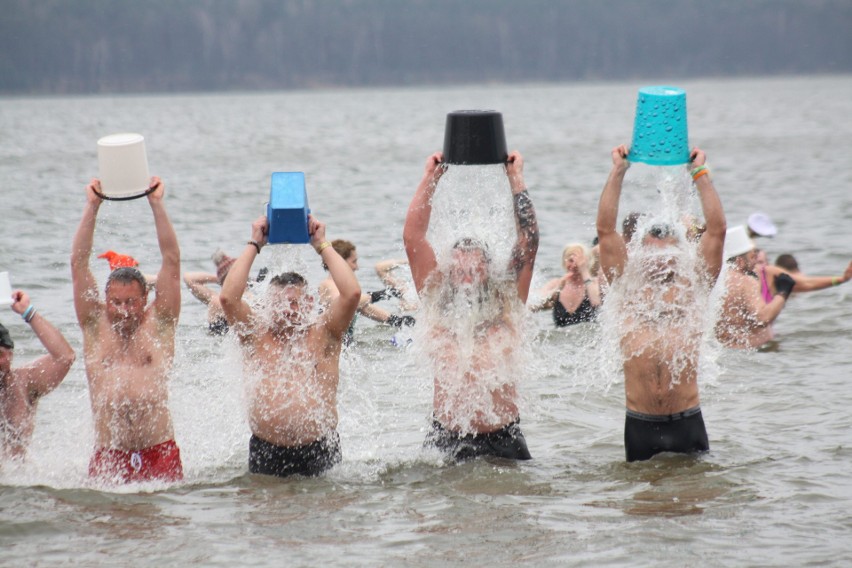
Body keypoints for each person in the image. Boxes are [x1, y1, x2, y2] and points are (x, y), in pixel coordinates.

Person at [403, 150, 538, 462]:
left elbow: (528, 242)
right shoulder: (436, 297)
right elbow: (413, 238)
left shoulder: (506, 299)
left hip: (503, 435)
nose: (467, 276)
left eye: (474, 270)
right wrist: (430, 178)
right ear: (449, 270)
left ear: (488, 269)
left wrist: (515, 178)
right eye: (460, 270)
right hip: (447, 435)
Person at [596, 144, 726, 462]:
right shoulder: (625, 287)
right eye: (652, 254)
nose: (661, 263)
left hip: (687, 421)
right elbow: (605, 230)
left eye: (667, 254)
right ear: (638, 254)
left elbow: (717, 231)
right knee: (640, 507)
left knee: (694, 504)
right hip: (640, 424)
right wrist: (618, 170)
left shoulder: (694, 286)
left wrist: (700, 174)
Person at [219, 214, 360, 478]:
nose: (288, 310)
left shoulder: (325, 332)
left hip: (320, 447)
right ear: (267, 304)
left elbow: (351, 293)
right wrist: (254, 244)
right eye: (280, 303)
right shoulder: (254, 334)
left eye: (295, 303)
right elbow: (228, 297)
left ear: (309, 303)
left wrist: (321, 245)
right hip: (267, 449)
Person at [71, 177, 183, 484]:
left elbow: (171, 262)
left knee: (158, 527)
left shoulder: (159, 322)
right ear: (105, 300)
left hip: (159, 450)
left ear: (145, 298)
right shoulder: (94, 324)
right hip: (109, 453)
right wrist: (92, 206)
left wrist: (156, 204)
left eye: (132, 302)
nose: (123, 310)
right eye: (116, 302)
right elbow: (78, 264)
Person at [1, 291, 75, 463]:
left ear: (11, 355)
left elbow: (65, 358)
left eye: (0, 354)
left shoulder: (24, 383)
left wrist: (28, 312)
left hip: (16, 484)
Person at [318, 240, 415, 345]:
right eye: (354, 262)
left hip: (345, 347)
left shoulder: (347, 291)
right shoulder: (327, 285)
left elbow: (364, 308)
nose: (357, 267)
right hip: (329, 348)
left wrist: (397, 321)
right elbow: (347, 301)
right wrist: (380, 294)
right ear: (340, 262)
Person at [715, 225, 795, 350]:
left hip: (726, 350)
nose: (755, 263)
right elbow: (762, 318)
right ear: (740, 261)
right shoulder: (745, 281)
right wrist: (783, 293)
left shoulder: (715, 278)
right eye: (752, 257)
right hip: (754, 353)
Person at [530, 243, 601, 326]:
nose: (574, 265)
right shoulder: (556, 283)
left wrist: (584, 271)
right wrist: (556, 290)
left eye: (579, 261)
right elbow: (534, 306)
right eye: (571, 260)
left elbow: (596, 303)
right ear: (564, 262)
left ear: (587, 262)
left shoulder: (594, 283)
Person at [183, 249, 237, 335]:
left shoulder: (215, 299)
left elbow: (189, 279)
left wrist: (222, 279)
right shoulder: (218, 301)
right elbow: (188, 278)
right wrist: (221, 279)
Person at [759, 252, 852, 297]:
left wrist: (841, 279)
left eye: (763, 262)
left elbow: (808, 283)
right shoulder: (748, 282)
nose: (761, 266)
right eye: (757, 262)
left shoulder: (771, 277)